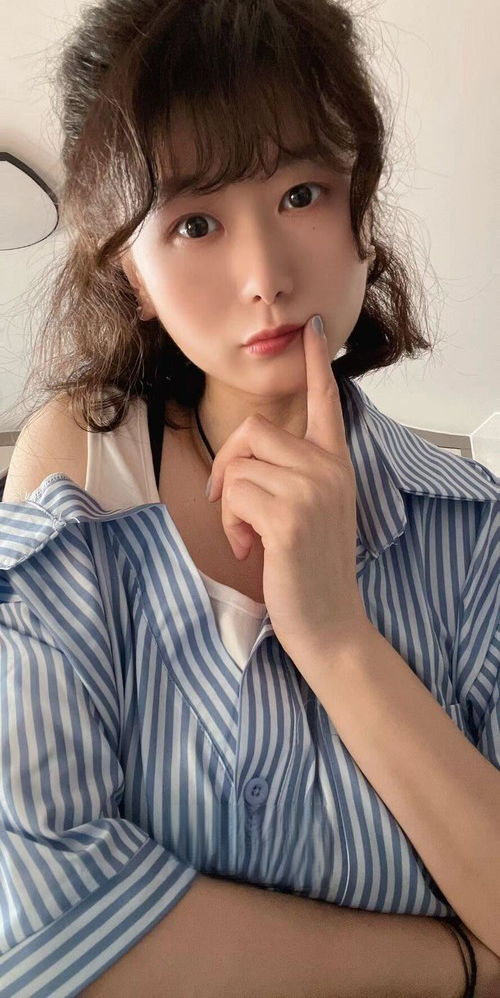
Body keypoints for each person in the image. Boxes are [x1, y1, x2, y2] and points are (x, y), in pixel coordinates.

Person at [1, 0, 499, 995]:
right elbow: (33, 923)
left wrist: (335, 636)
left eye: (302, 193)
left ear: (362, 217)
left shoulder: (473, 527)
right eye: (194, 222)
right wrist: (458, 964)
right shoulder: (85, 467)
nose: (265, 275)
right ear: (134, 276)